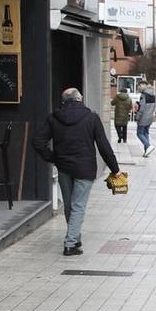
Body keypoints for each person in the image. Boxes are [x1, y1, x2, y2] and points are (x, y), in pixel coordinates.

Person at [33, 86, 119, 257]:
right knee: (78, 206)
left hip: (64, 167)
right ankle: (70, 244)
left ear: (64, 101)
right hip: (85, 168)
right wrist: (114, 168)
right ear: (80, 99)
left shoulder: (53, 118)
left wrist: (52, 158)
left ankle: (75, 238)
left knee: (70, 205)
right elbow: (103, 145)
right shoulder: (91, 118)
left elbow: (37, 141)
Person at [135, 85, 156, 156]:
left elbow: (141, 108)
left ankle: (148, 146)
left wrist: (137, 117)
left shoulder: (143, 96)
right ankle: (146, 151)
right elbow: (154, 107)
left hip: (143, 118)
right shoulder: (153, 95)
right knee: (145, 133)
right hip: (150, 117)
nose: (139, 87)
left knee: (139, 133)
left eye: (140, 85)